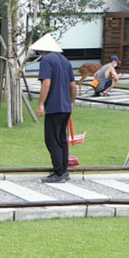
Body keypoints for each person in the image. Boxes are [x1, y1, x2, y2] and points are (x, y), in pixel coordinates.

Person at [32, 34, 77, 184]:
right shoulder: (65, 61)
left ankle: (58, 172)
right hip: (65, 107)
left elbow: (46, 83)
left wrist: (40, 104)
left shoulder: (47, 60)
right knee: (62, 139)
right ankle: (64, 170)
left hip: (54, 106)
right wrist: (71, 102)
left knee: (51, 140)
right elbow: (73, 85)